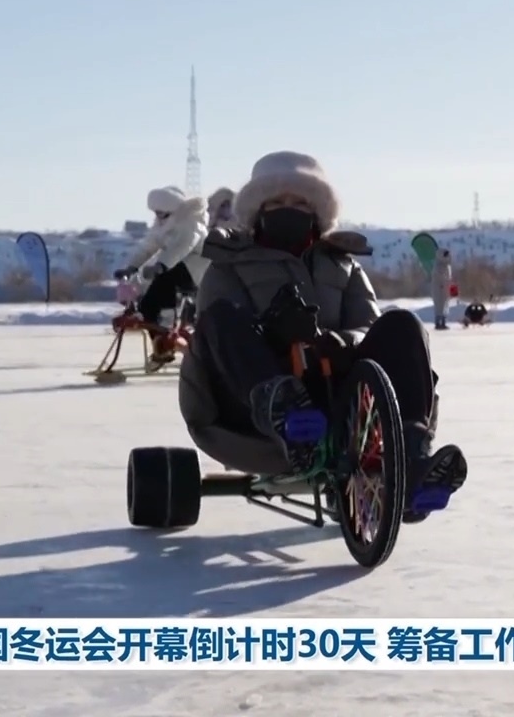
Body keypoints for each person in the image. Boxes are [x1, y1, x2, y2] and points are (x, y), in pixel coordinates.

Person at [178, 150, 467, 524]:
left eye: (300, 202)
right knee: (219, 317)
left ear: (317, 210)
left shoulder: (342, 265)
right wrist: (274, 333)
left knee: (402, 325)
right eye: (277, 202)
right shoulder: (228, 264)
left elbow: (367, 324)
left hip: (337, 398)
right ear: (257, 210)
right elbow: (218, 337)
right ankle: (283, 410)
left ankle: (411, 457)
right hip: (249, 405)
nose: (289, 210)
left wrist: (340, 341)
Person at [119, 186, 209, 361]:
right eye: (156, 213)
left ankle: (166, 326)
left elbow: (181, 248)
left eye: (162, 213)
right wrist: (132, 266)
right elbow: (148, 246)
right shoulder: (163, 225)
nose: (158, 217)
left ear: (172, 210)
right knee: (148, 304)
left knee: (163, 283)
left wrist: (162, 265)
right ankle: (160, 343)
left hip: (196, 270)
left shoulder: (191, 224)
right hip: (174, 269)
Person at [431, 249, 454, 330]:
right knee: (439, 306)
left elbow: (448, 277)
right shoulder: (438, 266)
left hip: (445, 288)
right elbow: (439, 277)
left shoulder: (447, 266)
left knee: (445, 305)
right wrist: (443, 284)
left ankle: (443, 322)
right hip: (439, 289)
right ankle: (438, 323)